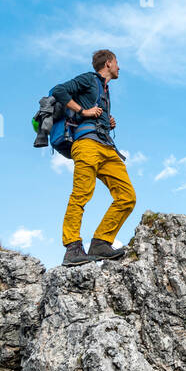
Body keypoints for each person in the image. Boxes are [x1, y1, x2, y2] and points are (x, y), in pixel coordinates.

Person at [51, 49, 136, 265]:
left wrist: (108, 121)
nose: (119, 67)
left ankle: (100, 242)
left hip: (107, 147)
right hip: (87, 145)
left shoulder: (104, 91)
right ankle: (72, 248)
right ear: (108, 63)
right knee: (81, 195)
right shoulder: (89, 79)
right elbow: (57, 90)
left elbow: (96, 112)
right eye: (117, 62)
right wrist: (83, 111)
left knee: (127, 197)